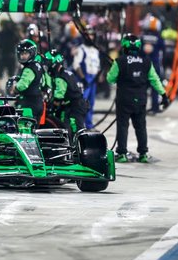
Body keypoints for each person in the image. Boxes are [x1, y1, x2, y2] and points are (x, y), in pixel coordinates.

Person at [107, 34, 169, 163]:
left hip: (124, 99)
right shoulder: (146, 61)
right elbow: (155, 80)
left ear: (124, 46)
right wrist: (163, 95)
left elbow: (110, 79)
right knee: (141, 126)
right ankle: (143, 154)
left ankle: (122, 154)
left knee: (123, 126)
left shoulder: (120, 61)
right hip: (140, 99)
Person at [45, 49, 88, 137]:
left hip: (75, 107)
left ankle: (78, 147)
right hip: (74, 105)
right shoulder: (67, 73)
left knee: (75, 128)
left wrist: (50, 108)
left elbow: (58, 98)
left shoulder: (60, 78)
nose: (47, 66)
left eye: (48, 63)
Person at [72, 25, 100, 129]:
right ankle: (81, 125)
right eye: (88, 35)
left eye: (92, 35)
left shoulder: (96, 50)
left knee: (91, 103)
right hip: (85, 79)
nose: (90, 37)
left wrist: (98, 76)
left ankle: (89, 124)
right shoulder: (81, 49)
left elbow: (98, 64)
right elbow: (76, 65)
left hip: (93, 79)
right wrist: (83, 78)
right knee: (83, 104)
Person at [12, 39, 45, 122]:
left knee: (24, 131)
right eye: (21, 54)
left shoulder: (29, 69)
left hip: (29, 104)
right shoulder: (38, 65)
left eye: (25, 53)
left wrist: (14, 88)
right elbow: (43, 82)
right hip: (38, 102)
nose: (23, 56)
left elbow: (22, 86)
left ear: (32, 53)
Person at [141, 15, 165, 114]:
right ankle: (155, 107)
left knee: (142, 87)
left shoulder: (142, 37)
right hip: (154, 64)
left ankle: (141, 106)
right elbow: (163, 49)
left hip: (143, 65)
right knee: (155, 87)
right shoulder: (158, 38)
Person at [0, 20, 21, 93]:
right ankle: (11, 91)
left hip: (2, 56)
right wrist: (15, 29)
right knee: (11, 76)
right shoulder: (13, 34)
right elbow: (18, 40)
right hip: (10, 57)